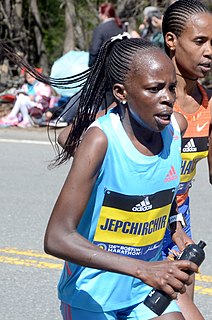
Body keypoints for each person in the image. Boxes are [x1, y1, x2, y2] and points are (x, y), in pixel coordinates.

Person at [43, 35, 200, 320]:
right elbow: (56, 237)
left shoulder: (176, 128)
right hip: (92, 298)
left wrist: (175, 228)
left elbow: (160, 191)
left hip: (143, 291)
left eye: (171, 87)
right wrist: (142, 268)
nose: (167, 98)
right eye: (154, 89)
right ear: (121, 92)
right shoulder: (100, 140)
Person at [161, 0, 212, 319]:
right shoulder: (149, 99)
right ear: (171, 40)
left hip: (181, 214)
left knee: (183, 306)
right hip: (142, 215)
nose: (209, 51)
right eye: (200, 41)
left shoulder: (208, 103)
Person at [88, 2, 124, 110]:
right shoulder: (121, 27)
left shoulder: (101, 29)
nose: (99, 15)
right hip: (121, 67)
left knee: (106, 101)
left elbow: (95, 50)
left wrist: (91, 65)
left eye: (100, 12)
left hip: (105, 69)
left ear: (104, 14)